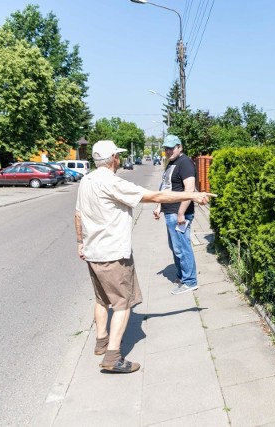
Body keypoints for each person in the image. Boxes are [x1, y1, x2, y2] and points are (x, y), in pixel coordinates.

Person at [74, 140, 214, 374]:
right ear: (114, 159)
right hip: (114, 254)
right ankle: (113, 356)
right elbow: (155, 195)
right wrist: (194, 194)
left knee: (101, 300)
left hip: (93, 252)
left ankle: (101, 342)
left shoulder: (86, 181)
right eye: (117, 156)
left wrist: (80, 242)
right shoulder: (112, 182)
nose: (118, 159)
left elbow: (78, 215)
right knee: (122, 304)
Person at [155, 135, 200, 295]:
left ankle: (190, 281)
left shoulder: (185, 162)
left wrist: (181, 212)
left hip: (179, 213)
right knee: (175, 247)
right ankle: (182, 277)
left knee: (182, 247)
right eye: (166, 148)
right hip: (170, 211)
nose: (168, 151)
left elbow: (189, 190)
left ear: (179, 147)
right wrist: (159, 205)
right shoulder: (172, 163)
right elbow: (166, 186)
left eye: (171, 148)